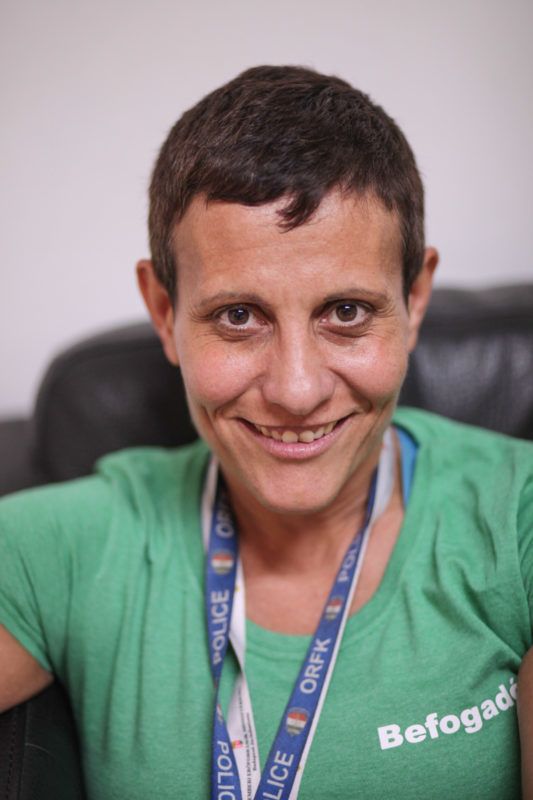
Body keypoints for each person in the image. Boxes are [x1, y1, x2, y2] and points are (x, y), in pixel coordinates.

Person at [0, 65, 532, 800]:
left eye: (346, 312)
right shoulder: (62, 551)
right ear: (164, 312)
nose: (296, 390)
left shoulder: (517, 519)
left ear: (414, 300)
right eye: (238, 316)